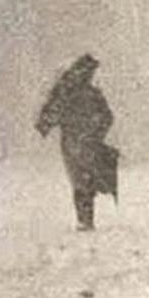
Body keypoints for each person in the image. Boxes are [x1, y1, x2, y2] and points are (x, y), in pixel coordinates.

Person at [36, 53, 118, 231]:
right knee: (85, 179)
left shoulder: (64, 93)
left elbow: (50, 118)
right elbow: (108, 117)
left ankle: (84, 220)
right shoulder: (92, 94)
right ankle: (86, 219)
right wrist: (97, 131)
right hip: (88, 141)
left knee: (79, 179)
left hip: (72, 142)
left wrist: (46, 124)